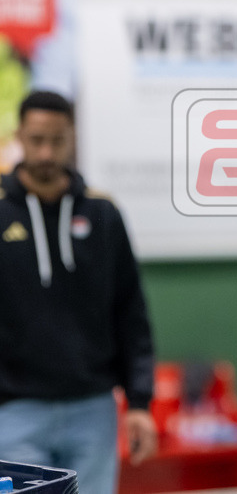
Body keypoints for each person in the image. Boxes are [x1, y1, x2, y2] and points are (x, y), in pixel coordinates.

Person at [0, 91, 157, 492]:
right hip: (14, 411)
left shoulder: (103, 214)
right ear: (20, 135)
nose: (47, 152)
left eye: (57, 140)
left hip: (93, 410)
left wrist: (139, 404)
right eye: (37, 140)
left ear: (72, 137)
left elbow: (131, 312)